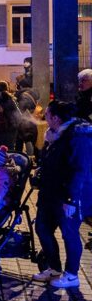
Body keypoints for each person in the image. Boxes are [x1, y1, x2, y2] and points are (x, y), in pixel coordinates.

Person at [32, 100, 90, 288]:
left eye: (47, 115)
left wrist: (71, 199)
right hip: (51, 191)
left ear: (56, 118)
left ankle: (72, 275)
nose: (45, 118)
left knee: (69, 232)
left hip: (68, 194)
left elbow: (79, 170)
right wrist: (47, 145)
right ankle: (54, 267)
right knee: (42, 227)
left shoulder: (78, 136)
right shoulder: (58, 134)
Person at [14, 77, 39, 157]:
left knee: (23, 140)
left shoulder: (23, 95)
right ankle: (33, 159)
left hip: (24, 121)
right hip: (32, 120)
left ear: (21, 86)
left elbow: (21, 108)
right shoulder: (34, 94)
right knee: (31, 140)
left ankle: (26, 160)